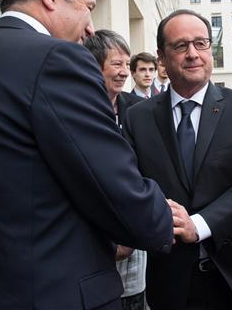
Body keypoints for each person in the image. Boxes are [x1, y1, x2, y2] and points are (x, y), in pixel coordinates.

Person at [0, 0, 173, 309]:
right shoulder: (57, 60)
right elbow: (110, 183)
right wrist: (162, 217)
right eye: (89, 7)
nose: (91, 27)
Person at [124, 9, 232, 310]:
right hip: (171, 281)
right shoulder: (138, 117)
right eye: (181, 46)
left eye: (201, 44)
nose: (193, 54)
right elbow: (130, 184)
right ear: (161, 58)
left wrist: (199, 224)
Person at [83, 29, 148, 309]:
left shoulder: (139, 109)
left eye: (126, 64)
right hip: (92, 235)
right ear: (95, 66)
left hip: (133, 231)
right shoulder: (78, 108)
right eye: (116, 64)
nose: (124, 72)